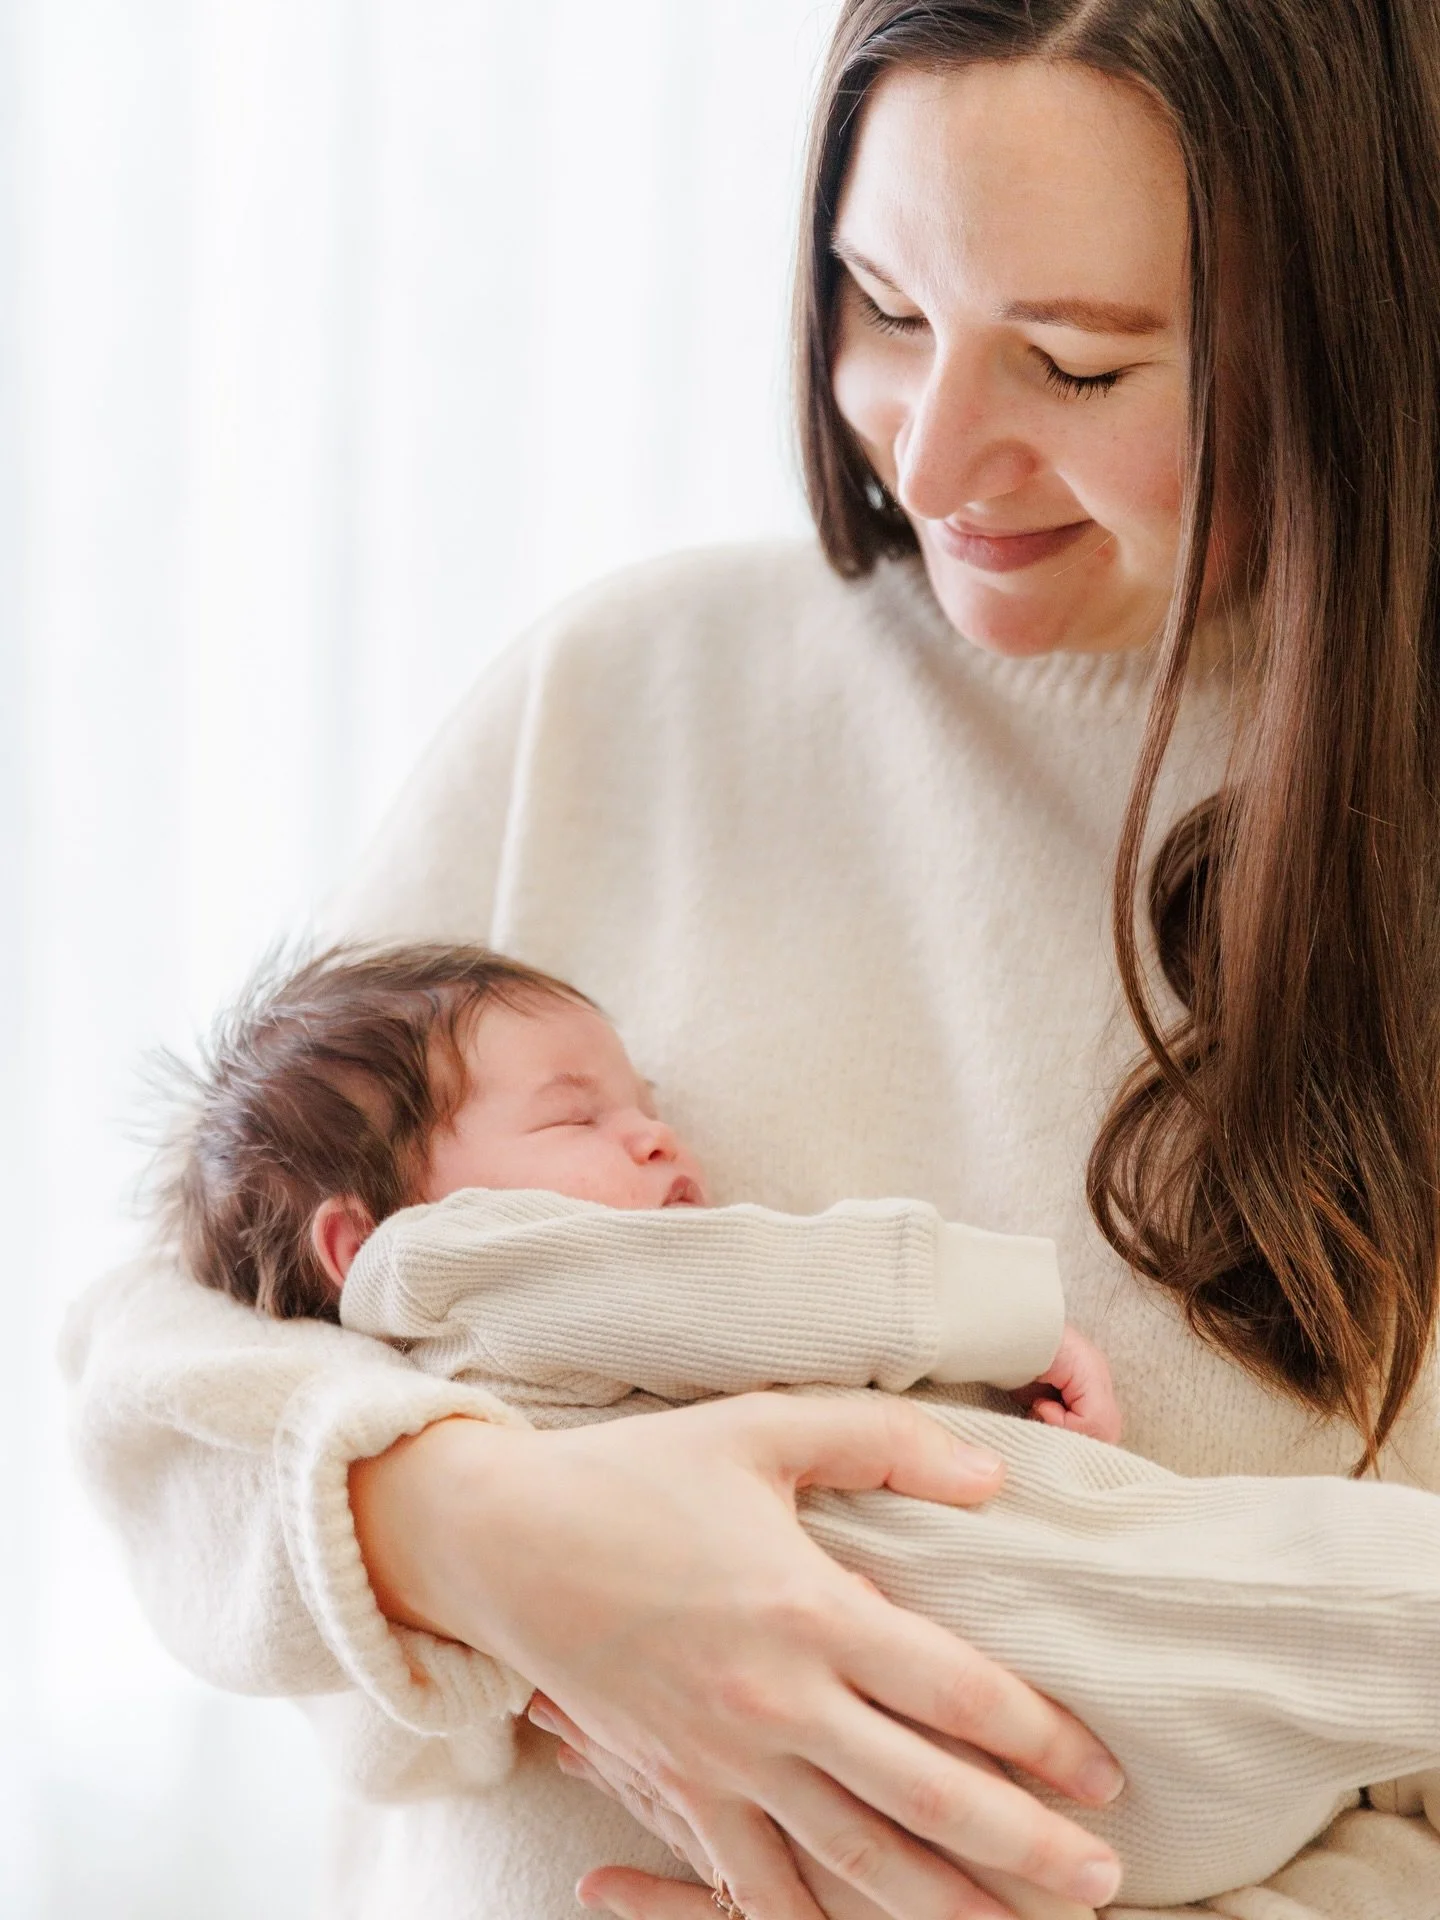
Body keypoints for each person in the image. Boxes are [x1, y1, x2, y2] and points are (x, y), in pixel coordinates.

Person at [61, 3, 1440, 1918]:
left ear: (1362, 337)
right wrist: (476, 1527)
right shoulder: (626, 694)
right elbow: (149, 1373)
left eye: (1077, 360)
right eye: (879, 303)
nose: (940, 451)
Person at [153, 935, 1440, 1912]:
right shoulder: (456, 1276)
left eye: (640, 1099)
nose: (651, 1132)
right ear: (358, 1240)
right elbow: (766, 1287)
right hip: (1088, 1652)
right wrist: (1010, 1322)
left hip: (1044, 1833)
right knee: (1368, 1584)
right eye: (575, 1115)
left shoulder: (499, 1395)